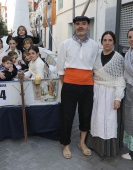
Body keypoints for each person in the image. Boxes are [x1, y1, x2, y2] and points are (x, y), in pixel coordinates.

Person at [56, 16, 99, 159]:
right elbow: (60, 66)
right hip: (69, 85)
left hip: (87, 86)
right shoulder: (66, 44)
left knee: (85, 115)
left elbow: (95, 66)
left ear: (88, 26)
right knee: (67, 116)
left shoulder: (94, 45)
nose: (80, 26)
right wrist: (67, 82)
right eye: (77, 24)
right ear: (74, 26)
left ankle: (82, 143)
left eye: (84, 24)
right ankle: (66, 144)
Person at [86, 31, 125, 157]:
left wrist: (118, 98)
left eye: (110, 40)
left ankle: (108, 150)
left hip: (110, 93)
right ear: (101, 42)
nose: (107, 43)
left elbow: (120, 80)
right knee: (96, 118)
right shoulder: (97, 55)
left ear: (114, 42)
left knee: (109, 120)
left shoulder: (118, 58)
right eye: (105, 40)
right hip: (97, 90)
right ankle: (94, 145)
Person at [122, 28, 133, 160]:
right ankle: (131, 151)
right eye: (129, 37)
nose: (131, 39)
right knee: (130, 121)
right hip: (129, 89)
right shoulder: (128, 53)